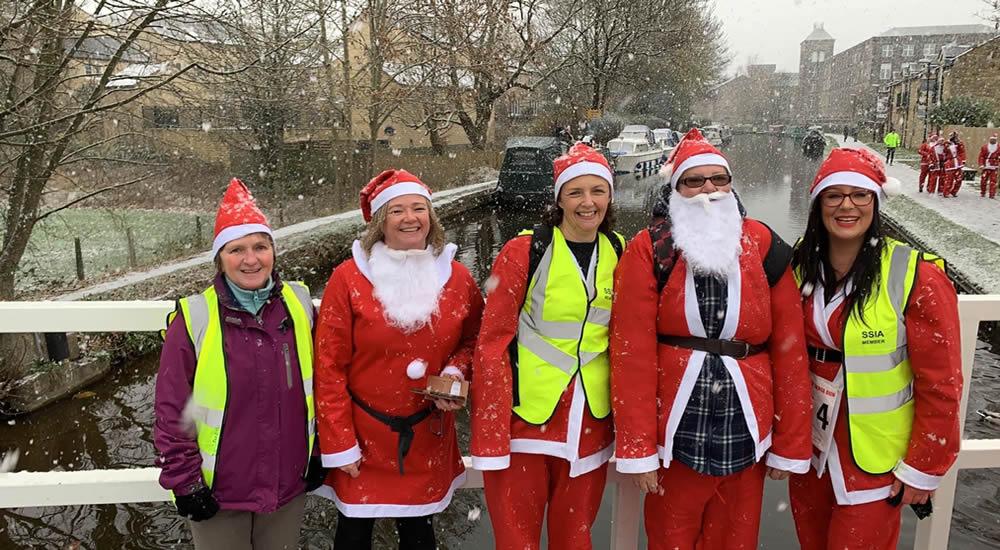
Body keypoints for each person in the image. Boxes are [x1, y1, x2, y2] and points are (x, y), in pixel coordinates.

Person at [610, 128, 812, 550]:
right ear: (676, 189)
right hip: (677, 423)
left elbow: (790, 351)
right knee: (670, 537)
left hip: (747, 417)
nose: (708, 190)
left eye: (719, 179)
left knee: (737, 538)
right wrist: (638, 447)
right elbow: (632, 354)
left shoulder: (763, 243)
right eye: (694, 181)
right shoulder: (650, 249)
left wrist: (792, 441)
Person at [788, 147, 963, 550]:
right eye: (834, 196)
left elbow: (942, 382)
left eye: (860, 195)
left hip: (874, 458)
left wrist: (925, 465)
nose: (846, 206)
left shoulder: (914, 275)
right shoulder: (800, 263)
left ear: (876, 202)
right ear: (818, 205)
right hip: (811, 450)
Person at [311, 169, 482, 550]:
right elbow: (328, 369)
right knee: (353, 536)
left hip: (426, 436)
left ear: (431, 218)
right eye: (397, 210)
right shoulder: (348, 279)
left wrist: (455, 371)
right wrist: (340, 444)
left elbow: (475, 338)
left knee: (419, 535)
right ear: (379, 222)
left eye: (419, 208)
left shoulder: (456, 278)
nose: (410, 218)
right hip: (363, 439)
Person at [154, 178, 323, 549]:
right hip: (220, 494)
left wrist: (317, 450)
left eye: (260, 246)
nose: (251, 259)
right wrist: (185, 482)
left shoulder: (299, 307)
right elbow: (171, 410)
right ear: (220, 259)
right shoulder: (195, 318)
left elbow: (320, 386)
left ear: (273, 252)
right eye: (237, 250)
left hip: (286, 486)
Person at [471, 143, 624, 550]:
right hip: (526, 418)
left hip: (589, 421)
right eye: (575, 192)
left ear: (610, 197)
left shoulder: (622, 252)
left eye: (598, 191)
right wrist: (488, 430)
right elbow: (492, 343)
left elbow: (627, 343)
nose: (588, 203)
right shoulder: (524, 251)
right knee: (517, 538)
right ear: (558, 199)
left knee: (575, 537)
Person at [945, 131, 967, 197]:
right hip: (950, 163)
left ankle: (954, 192)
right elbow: (944, 151)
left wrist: (963, 160)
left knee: (959, 179)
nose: (954, 137)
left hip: (958, 163)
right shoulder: (946, 143)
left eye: (955, 136)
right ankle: (946, 192)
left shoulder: (960, 143)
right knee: (949, 179)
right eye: (953, 136)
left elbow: (962, 152)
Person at [978, 133, 998, 199]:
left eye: (994, 140)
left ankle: (992, 194)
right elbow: (981, 156)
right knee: (983, 180)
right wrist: (981, 164)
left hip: (994, 166)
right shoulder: (984, 147)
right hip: (985, 165)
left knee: (993, 181)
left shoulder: (998, 147)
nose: (992, 141)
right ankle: (983, 192)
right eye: (991, 139)